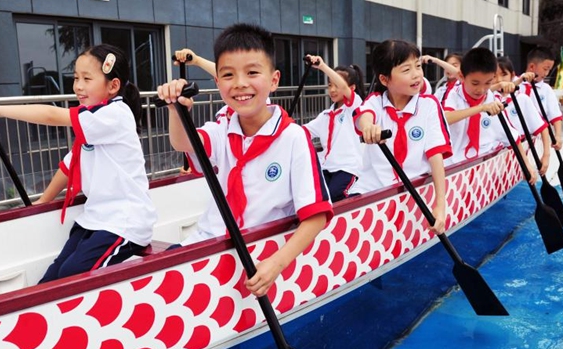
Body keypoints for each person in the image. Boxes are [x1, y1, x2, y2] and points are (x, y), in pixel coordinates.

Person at [157, 23, 333, 297]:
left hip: (257, 254)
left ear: (274, 80)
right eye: (228, 75)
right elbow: (184, 143)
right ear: (217, 83)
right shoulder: (221, 127)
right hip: (207, 244)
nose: (239, 83)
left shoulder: (293, 138)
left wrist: (277, 263)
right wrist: (177, 111)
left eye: (252, 72)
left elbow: (316, 216)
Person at [0, 44, 157, 283]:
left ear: (113, 86)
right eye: (76, 77)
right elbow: (69, 168)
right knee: (53, 276)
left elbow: (51, 116)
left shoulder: (116, 114)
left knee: (71, 278)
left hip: (125, 223)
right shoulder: (93, 118)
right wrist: (42, 202)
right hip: (96, 219)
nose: (78, 86)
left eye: (87, 78)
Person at [354, 39, 452, 234]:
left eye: (417, 66)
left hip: (414, 191)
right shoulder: (375, 101)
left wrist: (440, 205)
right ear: (384, 80)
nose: (416, 74)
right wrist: (369, 128)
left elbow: (436, 155)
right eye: (406, 70)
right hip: (374, 190)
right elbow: (363, 117)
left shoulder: (429, 105)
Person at [441, 48, 537, 185]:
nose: (481, 90)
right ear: (462, 76)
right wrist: (480, 108)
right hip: (455, 163)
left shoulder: (492, 98)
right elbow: (445, 118)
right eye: (475, 83)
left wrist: (526, 164)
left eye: (488, 83)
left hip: (482, 161)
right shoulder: (454, 95)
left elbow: (511, 134)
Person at [302, 56, 366, 202]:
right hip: (326, 167)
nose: (332, 90)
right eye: (330, 85)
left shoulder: (355, 107)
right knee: (317, 197)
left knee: (334, 197)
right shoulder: (325, 115)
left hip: (347, 168)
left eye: (336, 85)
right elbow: (304, 131)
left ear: (352, 88)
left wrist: (322, 66)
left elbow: (343, 88)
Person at [496, 56, 550, 175]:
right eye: (494, 76)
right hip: (497, 160)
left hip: (518, 155)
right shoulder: (489, 101)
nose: (499, 79)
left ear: (512, 75)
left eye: (503, 74)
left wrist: (546, 156)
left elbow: (542, 127)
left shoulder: (522, 99)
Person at [520, 46, 563, 151]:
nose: (546, 74)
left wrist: (558, 136)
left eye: (549, 70)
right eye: (545, 69)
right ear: (532, 66)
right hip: (519, 139)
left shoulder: (546, 89)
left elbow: (555, 115)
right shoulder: (515, 84)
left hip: (538, 139)